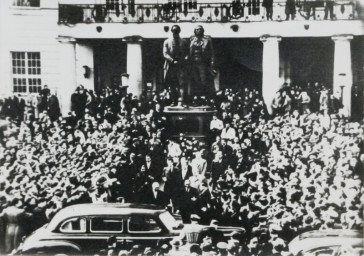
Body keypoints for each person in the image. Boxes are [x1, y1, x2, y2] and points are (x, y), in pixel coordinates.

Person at [163, 25, 189, 105]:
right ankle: (174, 101)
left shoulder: (184, 41)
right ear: (171, 31)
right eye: (174, 31)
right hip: (171, 65)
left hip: (181, 65)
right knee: (172, 84)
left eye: (177, 31)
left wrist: (184, 59)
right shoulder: (167, 41)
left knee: (182, 83)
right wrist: (172, 60)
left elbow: (187, 53)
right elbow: (165, 53)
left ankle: (184, 102)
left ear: (179, 31)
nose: (175, 32)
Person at [189, 25, 215, 99]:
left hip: (203, 63)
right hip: (193, 63)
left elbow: (212, 52)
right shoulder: (191, 39)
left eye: (200, 29)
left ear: (202, 31)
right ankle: (197, 97)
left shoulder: (207, 40)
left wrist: (212, 63)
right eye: (197, 29)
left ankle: (205, 97)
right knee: (195, 80)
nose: (198, 31)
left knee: (203, 80)